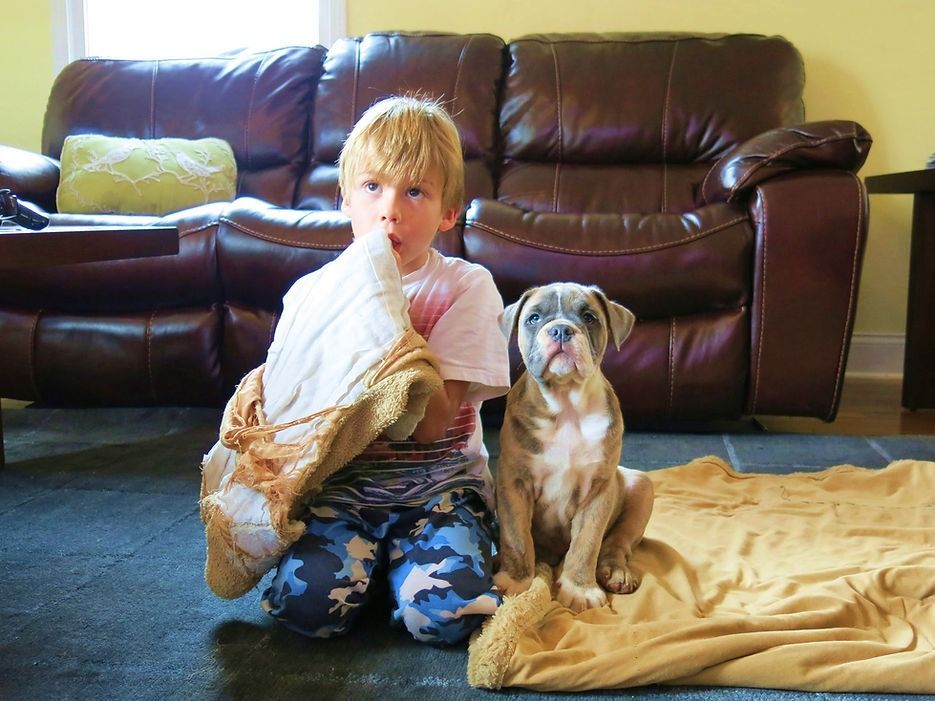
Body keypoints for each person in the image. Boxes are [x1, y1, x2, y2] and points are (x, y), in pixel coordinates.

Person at [260, 95, 511, 645]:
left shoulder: (465, 287)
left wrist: (381, 304)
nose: (389, 210)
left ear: (447, 213)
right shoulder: (312, 294)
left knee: (448, 619)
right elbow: (291, 414)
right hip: (343, 492)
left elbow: (425, 424)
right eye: (372, 187)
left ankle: (397, 575)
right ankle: (372, 573)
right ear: (346, 197)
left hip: (438, 492)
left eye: (414, 191)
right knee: (304, 611)